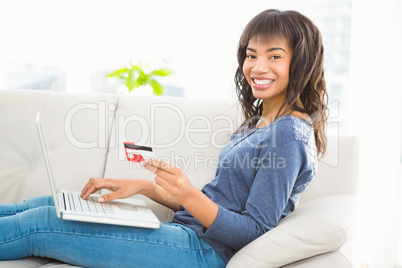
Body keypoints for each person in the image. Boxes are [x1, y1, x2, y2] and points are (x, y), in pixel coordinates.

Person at [0, 9, 328, 267]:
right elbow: (223, 205)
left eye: (274, 56)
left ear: (300, 62)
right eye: (251, 54)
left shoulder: (288, 135)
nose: (257, 67)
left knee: (40, 223)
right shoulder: (263, 122)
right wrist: (143, 186)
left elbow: (253, 232)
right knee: (50, 203)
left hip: (202, 254)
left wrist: (188, 194)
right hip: (188, 237)